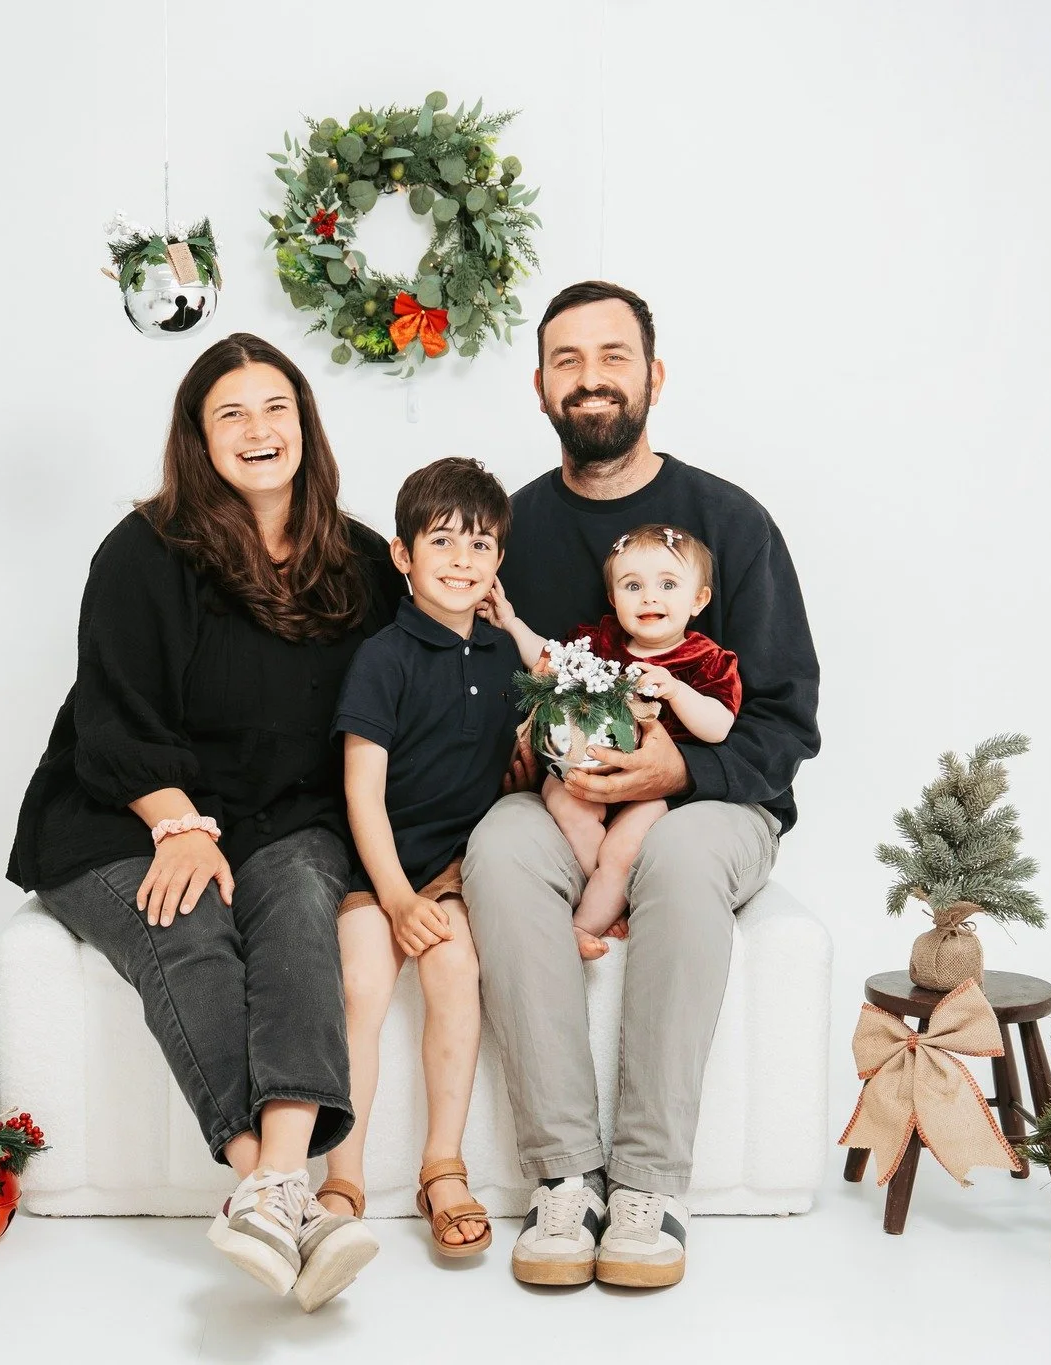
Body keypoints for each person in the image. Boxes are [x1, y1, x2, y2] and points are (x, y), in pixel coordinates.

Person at [5, 333, 400, 1311]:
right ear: (197, 436)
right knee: (186, 920)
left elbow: (401, 702)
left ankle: (271, 1196)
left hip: (286, 816)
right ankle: (270, 1186)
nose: (257, 430)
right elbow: (111, 715)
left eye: (276, 408)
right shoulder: (143, 551)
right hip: (123, 812)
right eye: (230, 413)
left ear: (304, 423)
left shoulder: (357, 562)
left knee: (303, 903)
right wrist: (176, 823)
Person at [462, 281, 821, 1290]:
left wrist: (680, 768)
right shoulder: (513, 530)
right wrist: (530, 750)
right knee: (495, 849)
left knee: (679, 848)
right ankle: (564, 1179)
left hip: (709, 803)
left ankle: (649, 1187)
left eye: (611, 357)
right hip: (564, 797)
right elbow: (484, 694)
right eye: (566, 361)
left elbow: (784, 722)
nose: (589, 379)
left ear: (651, 376)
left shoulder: (729, 526)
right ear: (539, 387)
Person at [316, 458, 516, 1258]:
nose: (463, 560)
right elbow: (362, 793)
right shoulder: (383, 656)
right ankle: (343, 1178)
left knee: (454, 974)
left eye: (482, 544)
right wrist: (396, 897)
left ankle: (443, 1167)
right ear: (402, 555)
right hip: (377, 869)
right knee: (362, 984)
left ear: (500, 562)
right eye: (443, 541)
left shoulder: (504, 657)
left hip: (453, 872)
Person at [483, 523, 741, 959]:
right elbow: (549, 659)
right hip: (583, 770)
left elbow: (719, 727)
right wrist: (510, 622)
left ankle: (582, 925)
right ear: (613, 597)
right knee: (564, 804)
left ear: (698, 599)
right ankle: (610, 896)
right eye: (632, 585)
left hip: (650, 790)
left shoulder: (706, 660)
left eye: (668, 584)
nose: (649, 597)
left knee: (623, 850)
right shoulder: (601, 643)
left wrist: (677, 691)